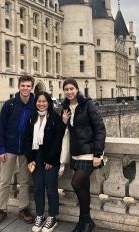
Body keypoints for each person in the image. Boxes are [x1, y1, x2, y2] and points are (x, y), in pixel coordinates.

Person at [61, 79, 106, 232]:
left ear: (77, 89)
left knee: (76, 183)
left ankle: (86, 220)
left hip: (89, 152)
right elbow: (67, 132)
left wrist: (98, 154)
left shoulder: (88, 105)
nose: (69, 92)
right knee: (83, 187)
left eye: (71, 88)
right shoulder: (65, 107)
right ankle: (84, 221)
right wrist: (64, 122)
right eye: (66, 89)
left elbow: (100, 129)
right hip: (76, 153)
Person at [0, 75, 36, 226]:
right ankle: (1, 209)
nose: (25, 88)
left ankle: (23, 208)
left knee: (24, 181)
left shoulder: (35, 105)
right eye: (23, 85)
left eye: (28, 86)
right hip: (9, 148)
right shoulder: (9, 104)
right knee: (4, 180)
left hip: (25, 150)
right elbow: (1, 127)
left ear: (32, 87)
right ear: (18, 87)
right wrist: (1, 149)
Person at [24, 92, 65, 232]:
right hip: (36, 158)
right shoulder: (32, 117)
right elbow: (27, 139)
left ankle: (52, 217)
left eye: (44, 101)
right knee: (38, 188)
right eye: (39, 101)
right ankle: (40, 215)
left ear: (49, 102)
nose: (41, 104)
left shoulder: (55, 118)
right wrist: (30, 159)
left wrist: (51, 159)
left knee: (51, 189)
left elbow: (58, 140)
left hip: (50, 158)